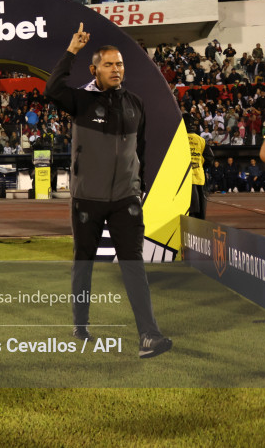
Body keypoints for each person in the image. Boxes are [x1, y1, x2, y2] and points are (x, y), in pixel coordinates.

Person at [44, 22, 172, 359]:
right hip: (87, 199)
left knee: (133, 265)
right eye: (109, 65)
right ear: (94, 69)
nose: (116, 70)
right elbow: (52, 89)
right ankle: (81, 323)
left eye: (120, 65)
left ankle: (149, 335)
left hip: (125, 201)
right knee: (83, 262)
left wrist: (139, 187)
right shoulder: (81, 100)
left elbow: (141, 149)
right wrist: (71, 50)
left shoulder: (136, 103)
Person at [186, 116, 213, 219]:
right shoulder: (201, 140)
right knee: (200, 211)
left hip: (183, 180)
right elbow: (210, 158)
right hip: (198, 177)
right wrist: (201, 165)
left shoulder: (178, 139)